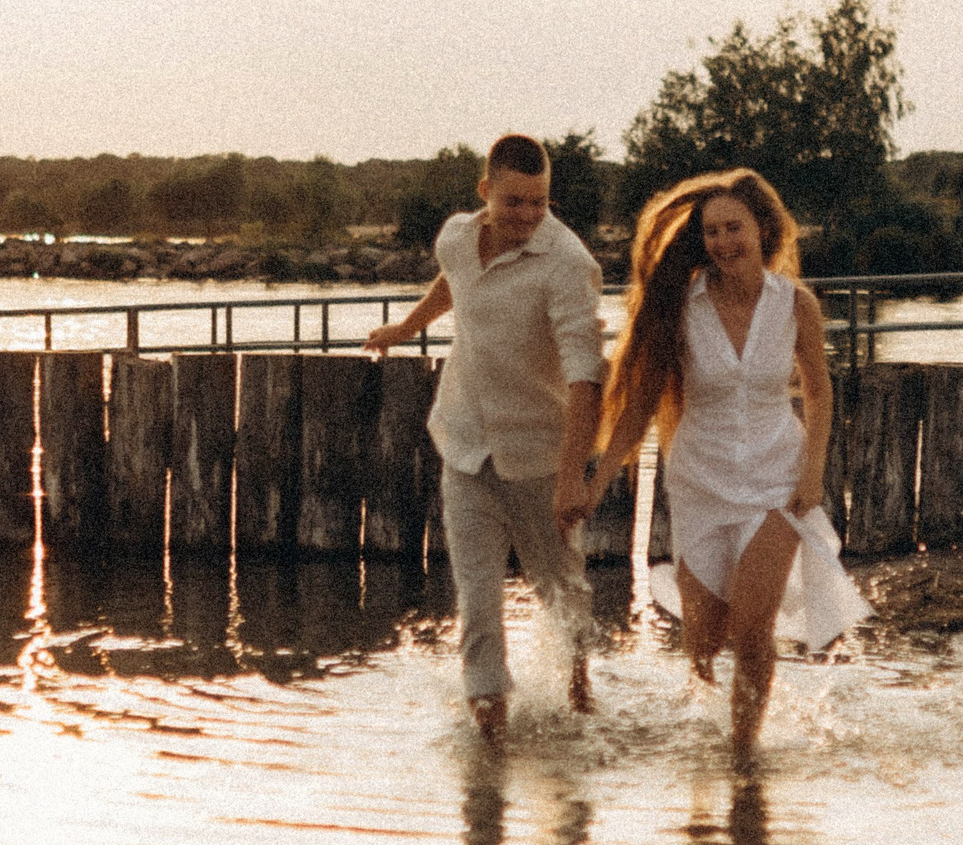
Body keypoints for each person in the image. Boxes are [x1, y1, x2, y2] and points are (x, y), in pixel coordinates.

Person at [588, 169, 868, 755]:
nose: (722, 242)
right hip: (701, 480)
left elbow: (818, 391)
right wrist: (595, 483)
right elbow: (639, 407)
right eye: (711, 231)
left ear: (763, 228)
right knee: (704, 641)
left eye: (733, 228)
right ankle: (705, 737)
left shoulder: (795, 304)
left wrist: (813, 470)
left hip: (776, 478)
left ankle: (743, 755)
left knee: (751, 628)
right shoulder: (680, 307)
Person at [364, 134, 605, 745]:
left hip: (540, 457)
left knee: (561, 591)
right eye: (513, 202)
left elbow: (586, 376)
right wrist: (405, 328)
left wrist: (572, 476)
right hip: (466, 446)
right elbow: (454, 281)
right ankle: (489, 740)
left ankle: (580, 694)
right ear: (485, 193)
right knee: (477, 601)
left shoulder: (568, 265)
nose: (527, 215)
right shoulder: (455, 236)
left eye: (539, 202)